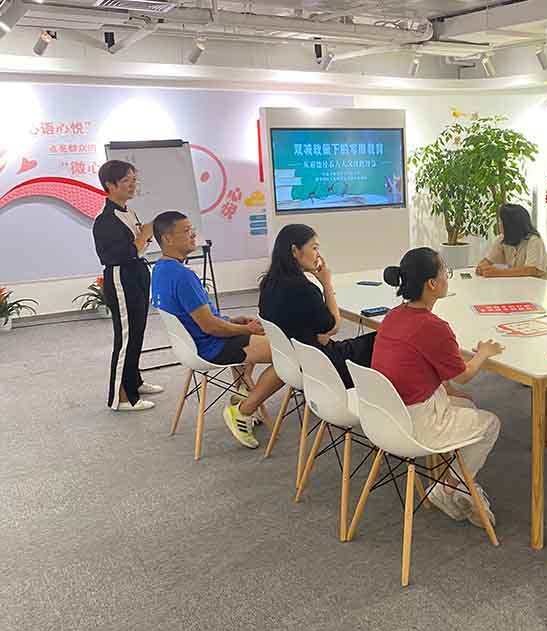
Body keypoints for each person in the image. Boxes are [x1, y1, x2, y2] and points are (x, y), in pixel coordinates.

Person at [372, 247, 503, 528]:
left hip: (383, 417)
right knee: (490, 424)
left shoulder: (394, 315)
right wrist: (485, 352)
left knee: (466, 406)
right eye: (445, 272)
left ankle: (453, 483)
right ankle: (453, 485)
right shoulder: (434, 327)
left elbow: (423, 362)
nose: (447, 277)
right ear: (432, 284)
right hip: (415, 424)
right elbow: (465, 374)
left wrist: (449, 390)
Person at [151, 211, 283, 449]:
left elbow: (198, 318)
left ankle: (243, 392)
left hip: (194, 345)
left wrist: (233, 321)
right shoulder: (183, 276)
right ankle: (244, 410)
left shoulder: (160, 271)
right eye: (187, 231)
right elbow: (210, 326)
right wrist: (240, 328)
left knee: (249, 334)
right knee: (288, 356)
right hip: (211, 346)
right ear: (167, 239)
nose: (193, 235)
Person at [258, 224, 375, 388]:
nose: (318, 254)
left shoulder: (268, 283)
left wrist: (319, 333)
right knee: (381, 339)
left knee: (367, 341)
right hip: (325, 366)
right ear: (295, 251)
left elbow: (317, 327)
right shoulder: (304, 289)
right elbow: (333, 325)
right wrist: (326, 283)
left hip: (298, 362)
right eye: (314, 248)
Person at [92, 160, 163, 411]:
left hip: (138, 273)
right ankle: (120, 397)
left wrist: (144, 238)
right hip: (121, 278)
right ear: (110, 185)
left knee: (138, 332)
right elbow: (116, 255)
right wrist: (142, 237)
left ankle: (134, 380)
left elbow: (138, 246)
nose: (133, 185)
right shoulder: (105, 220)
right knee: (125, 337)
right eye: (127, 181)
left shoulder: (128, 211)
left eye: (134, 179)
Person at [476, 203, 547, 279]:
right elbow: (488, 260)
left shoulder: (534, 240)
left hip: (537, 286)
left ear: (510, 225)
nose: (499, 224)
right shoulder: (502, 239)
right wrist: (482, 266)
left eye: (501, 222)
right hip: (516, 285)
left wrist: (497, 272)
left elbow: (530, 270)